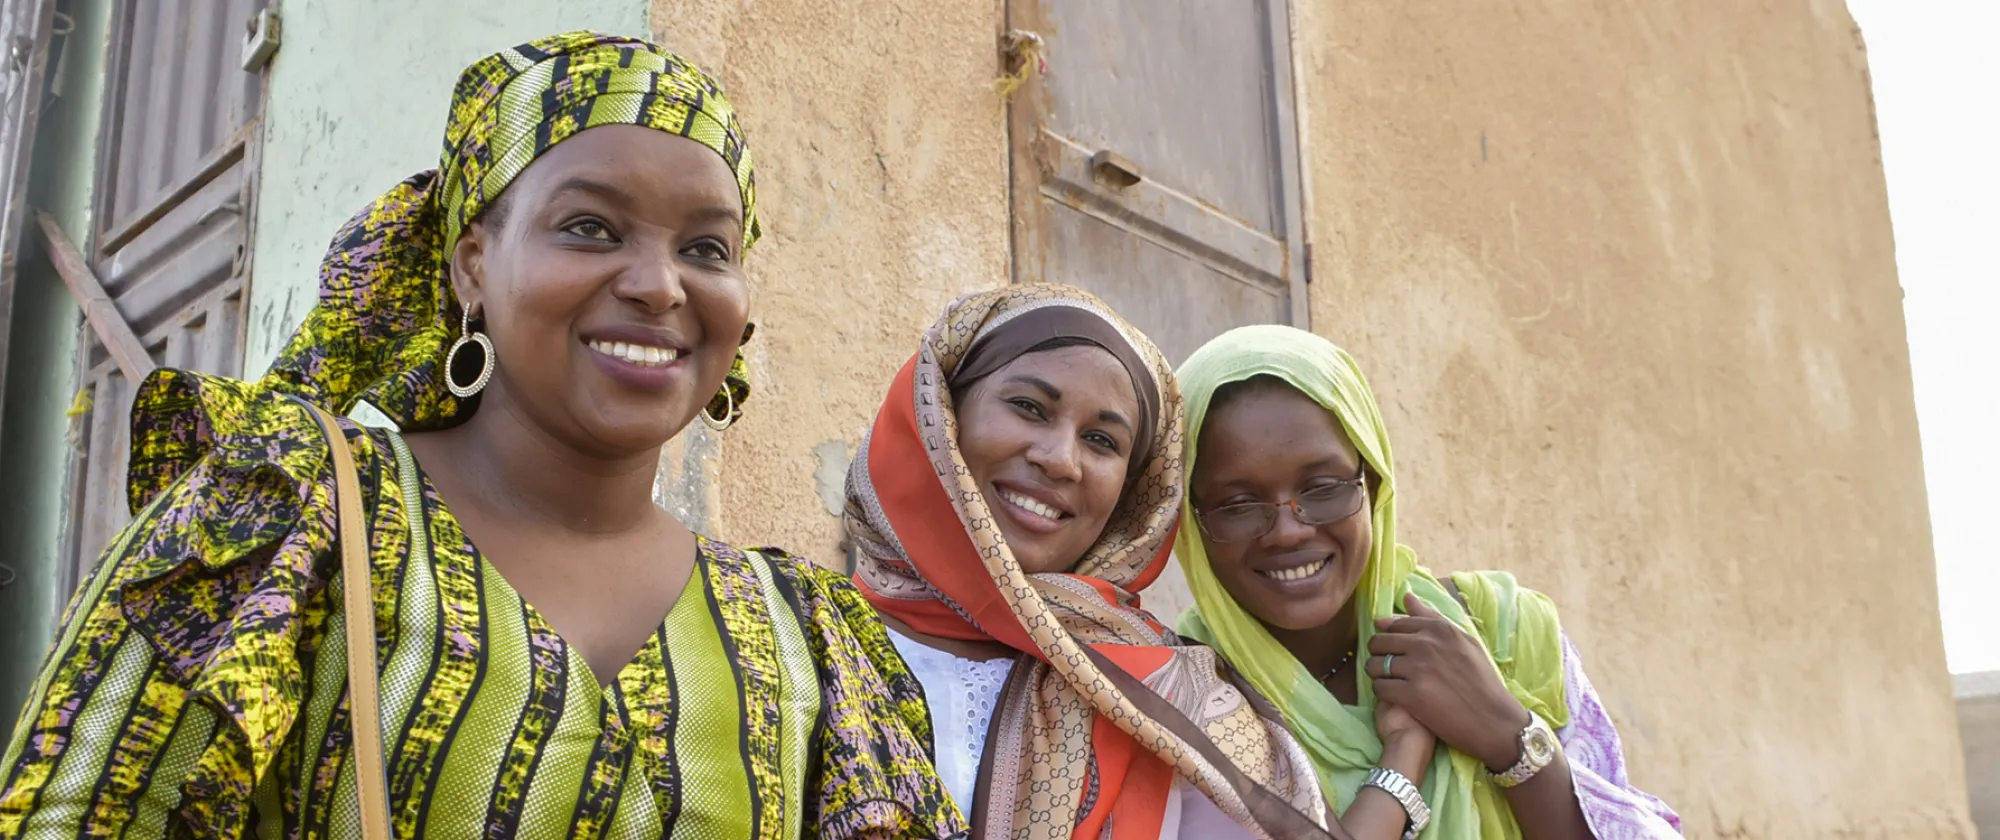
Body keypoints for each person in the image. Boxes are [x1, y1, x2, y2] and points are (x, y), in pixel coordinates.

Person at [0, 32, 960, 840]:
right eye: (590, 227)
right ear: (471, 266)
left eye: (706, 248)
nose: (661, 285)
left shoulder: (809, 635)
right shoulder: (292, 520)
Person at [844, 285, 1338, 840]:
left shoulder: (1174, 702)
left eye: (1101, 440)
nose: (1060, 460)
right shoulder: (805, 634)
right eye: (1029, 407)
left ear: (1131, 497)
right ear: (943, 415)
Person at [1171, 324, 1682, 839]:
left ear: (1373, 482)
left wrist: (1509, 733)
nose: (1288, 530)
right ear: (1189, 523)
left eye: (1323, 487)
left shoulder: (1502, 634)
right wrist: (1401, 766)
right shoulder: (1177, 702)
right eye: (1237, 505)